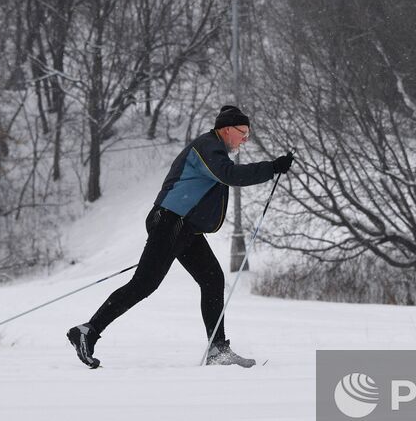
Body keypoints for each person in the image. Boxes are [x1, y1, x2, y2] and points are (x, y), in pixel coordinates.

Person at [68, 104, 293, 369]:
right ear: (227, 129)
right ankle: (87, 332)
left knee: (212, 279)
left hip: (185, 228)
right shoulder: (208, 147)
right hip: (170, 221)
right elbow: (230, 175)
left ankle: (218, 350)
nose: (245, 139)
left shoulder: (215, 149)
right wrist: (271, 168)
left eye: (248, 134)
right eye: (243, 132)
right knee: (144, 283)